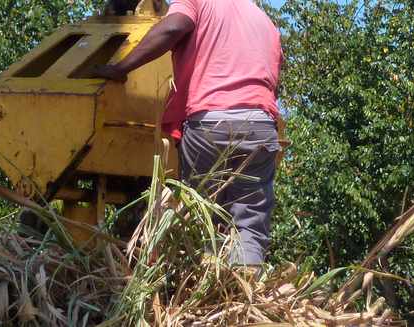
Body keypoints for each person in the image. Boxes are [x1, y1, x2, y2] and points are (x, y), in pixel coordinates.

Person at [92, 0, 283, 266]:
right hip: (260, 124)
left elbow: (172, 28)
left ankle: (207, 288)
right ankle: (243, 289)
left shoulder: (196, 1)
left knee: (206, 218)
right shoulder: (264, 20)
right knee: (250, 221)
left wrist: (120, 69)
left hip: (209, 122)